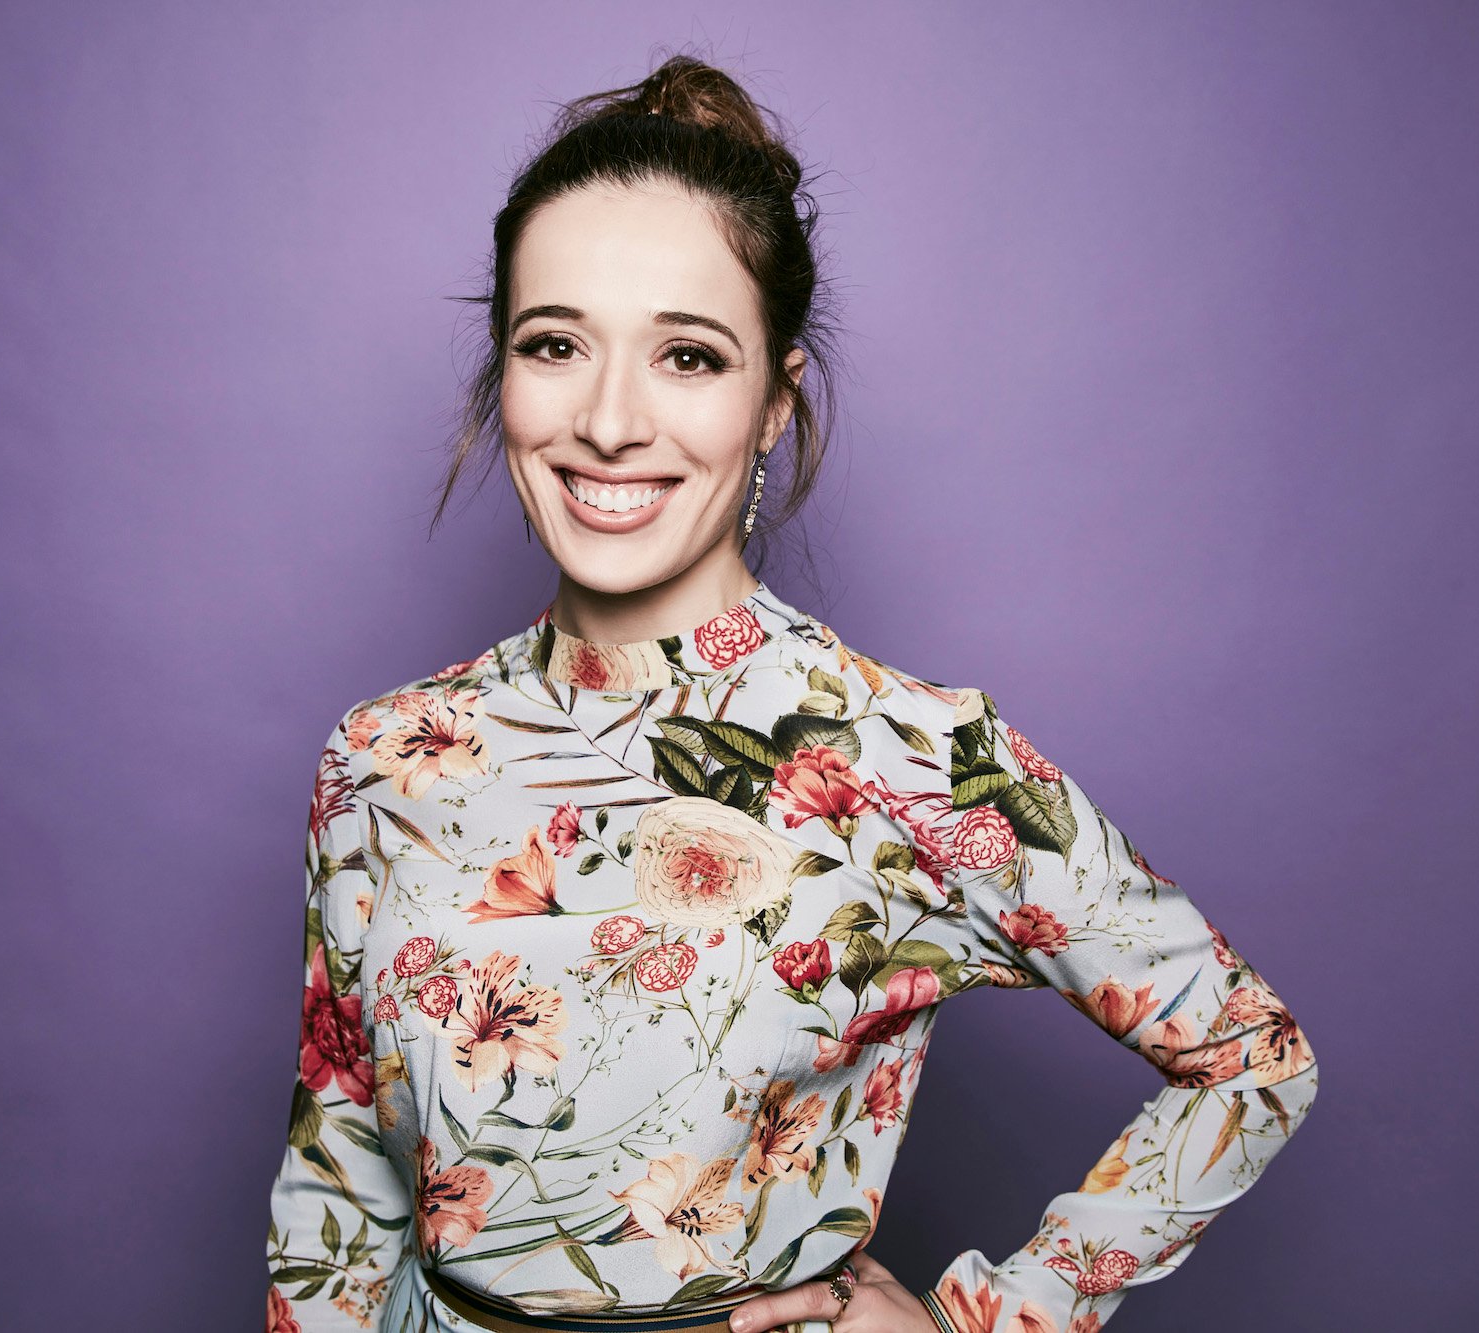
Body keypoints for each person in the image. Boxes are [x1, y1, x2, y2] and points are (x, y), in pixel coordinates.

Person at [265, 53, 1318, 1333]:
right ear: (503, 373)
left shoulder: (903, 753)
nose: (608, 420)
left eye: (688, 358)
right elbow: (339, 1187)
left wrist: (985, 1320)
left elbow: (1246, 1059)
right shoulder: (383, 756)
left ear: (774, 402)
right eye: (555, 345)